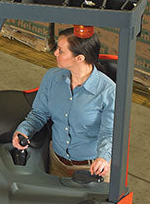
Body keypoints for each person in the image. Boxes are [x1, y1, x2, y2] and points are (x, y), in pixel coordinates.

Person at [12, 26, 115, 182]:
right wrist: (24, 130)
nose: (55, 53)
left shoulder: (108, 91)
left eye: (60, 51)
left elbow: (109, 133)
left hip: (91, 170)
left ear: (79, 58)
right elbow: (39, 113)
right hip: (57, 163)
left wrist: (103, 158)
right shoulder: (52, 78)